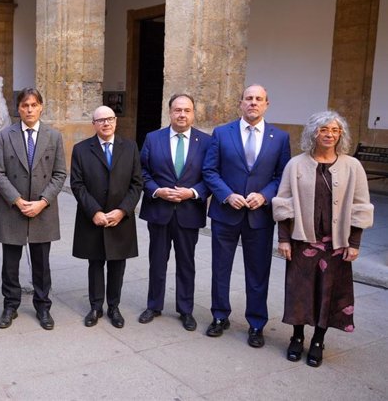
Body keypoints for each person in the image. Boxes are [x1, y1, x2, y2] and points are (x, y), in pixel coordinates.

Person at [272, 111, 373, 367]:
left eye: (335, 130)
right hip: (302, 241)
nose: (329, 134)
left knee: (328, 294)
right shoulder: (296, 164)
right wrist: (284, 239)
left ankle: (318, 339)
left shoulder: (353, 166)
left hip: (336, 245)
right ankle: (297, 337)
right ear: (313, 133)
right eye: (323, 129)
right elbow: (284, 203)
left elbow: (361, 207)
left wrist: (355, 242)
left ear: (341, 135)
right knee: (299, 292)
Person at [202, 84, 291, 347]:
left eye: (258, 99)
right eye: (248, 98)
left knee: (258, 272)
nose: (253, 103)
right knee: (220, 268)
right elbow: (210, 171)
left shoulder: (280, 137)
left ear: (266, 104)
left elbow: (282, 176)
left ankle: (256, 323)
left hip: (259, 217)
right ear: (240, 103)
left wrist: (264, 195)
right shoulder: (221, 133)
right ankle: (219, 316)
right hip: (226, 213)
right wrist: (227, 194)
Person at [0, 87, 67, 330]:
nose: (29, 109)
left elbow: (59, 174)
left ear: (41, 106)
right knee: (10, 263)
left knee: (41, 263)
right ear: (18, 109)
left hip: (42, 209)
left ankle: (43, 306)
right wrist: (16, 199)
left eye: (34, 105)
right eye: (25, 105)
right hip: (13, 208)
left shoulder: (53, 136)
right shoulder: (5, 136)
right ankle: (10, 305)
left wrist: (43, 201)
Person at [138, 94, 212, 331]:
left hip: (189, 212)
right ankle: (154, 305)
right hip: (159, 211)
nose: (182, 115)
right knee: (157, 261)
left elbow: (211, 176)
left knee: (186, 263)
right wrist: (157, 191)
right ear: (169, 112)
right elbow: (142, 172)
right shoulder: (153, 138)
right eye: (177, 110)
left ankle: (186, 310)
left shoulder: (206, 142)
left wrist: (192, 193)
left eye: (187, 110)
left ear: (193, 113)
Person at [70, 105, 142, 328]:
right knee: (96, 263)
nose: (106, 123)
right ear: (94, 124)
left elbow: (137, 183)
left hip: (120, 217)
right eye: (100, 120)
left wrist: (122, 210)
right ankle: (95, 307)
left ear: (116, 121)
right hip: (93, 217)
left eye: (110, 119)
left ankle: (114, 306)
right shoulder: (81, 149)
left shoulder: (129, 147)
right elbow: (77, 184)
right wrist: (95, 212)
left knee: (117, 264)